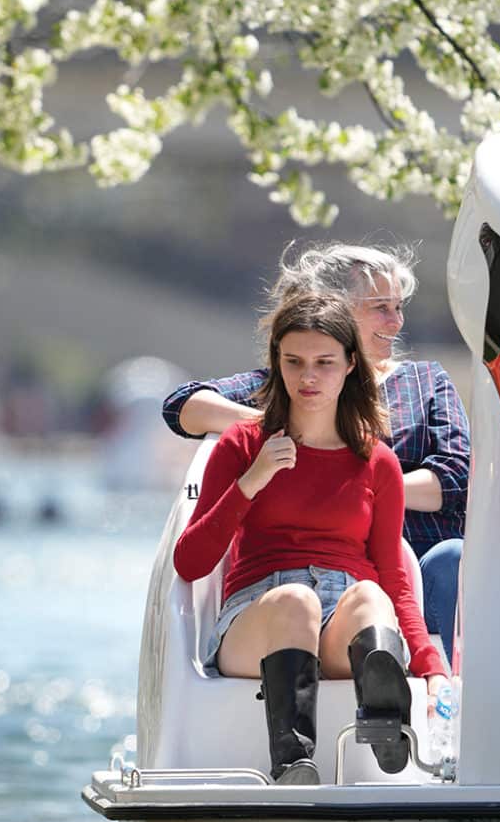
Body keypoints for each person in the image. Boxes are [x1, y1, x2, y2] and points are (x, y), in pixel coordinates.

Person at [173, 294, 445, 784]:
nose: (308, 378)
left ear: (349, 367)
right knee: (297, 601)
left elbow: (393, 575)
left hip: (344, 623)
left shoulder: (376, 460)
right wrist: (251, 482)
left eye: (324, 363)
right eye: (294, 362)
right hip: (259, 619)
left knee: (369, 595)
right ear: (277, 363)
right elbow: (191, 562)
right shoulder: (242, 445)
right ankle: (293, 762)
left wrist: (431, 664)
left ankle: (387, 726)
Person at [162, 241, 468, 658]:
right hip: (296, 583)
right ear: (333, 306)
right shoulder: (290, 382)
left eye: (399, 307)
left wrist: (359, 483)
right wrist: (295, 424)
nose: (396, 322)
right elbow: (182, 406)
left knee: (453, 558)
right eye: (381, 307)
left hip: (413, 561)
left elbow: (453, 480)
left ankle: (437, 690)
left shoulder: (426, 381)